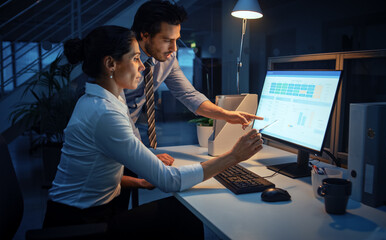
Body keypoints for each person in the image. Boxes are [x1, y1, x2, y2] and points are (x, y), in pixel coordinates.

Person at [43, 25, 263, 238]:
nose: (142, 66)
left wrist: (140, 180)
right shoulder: (105, 112)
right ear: (111, 63)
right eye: (135, 58)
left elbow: (96, 171)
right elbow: (169, 182)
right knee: (185, 214)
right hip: (80, 223)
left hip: (90, 210)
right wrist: (235, 156)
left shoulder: (104, 99)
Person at [125, 0, 263, 145]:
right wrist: (142, 155)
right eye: (167, 40)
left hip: (129, 138)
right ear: (145, 35)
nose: (174, 48)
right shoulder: (118, 58)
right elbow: (116, 111)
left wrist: (226, 115)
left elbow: (188, 95)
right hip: (110, 132)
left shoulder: (168, 59)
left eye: (176, 40)